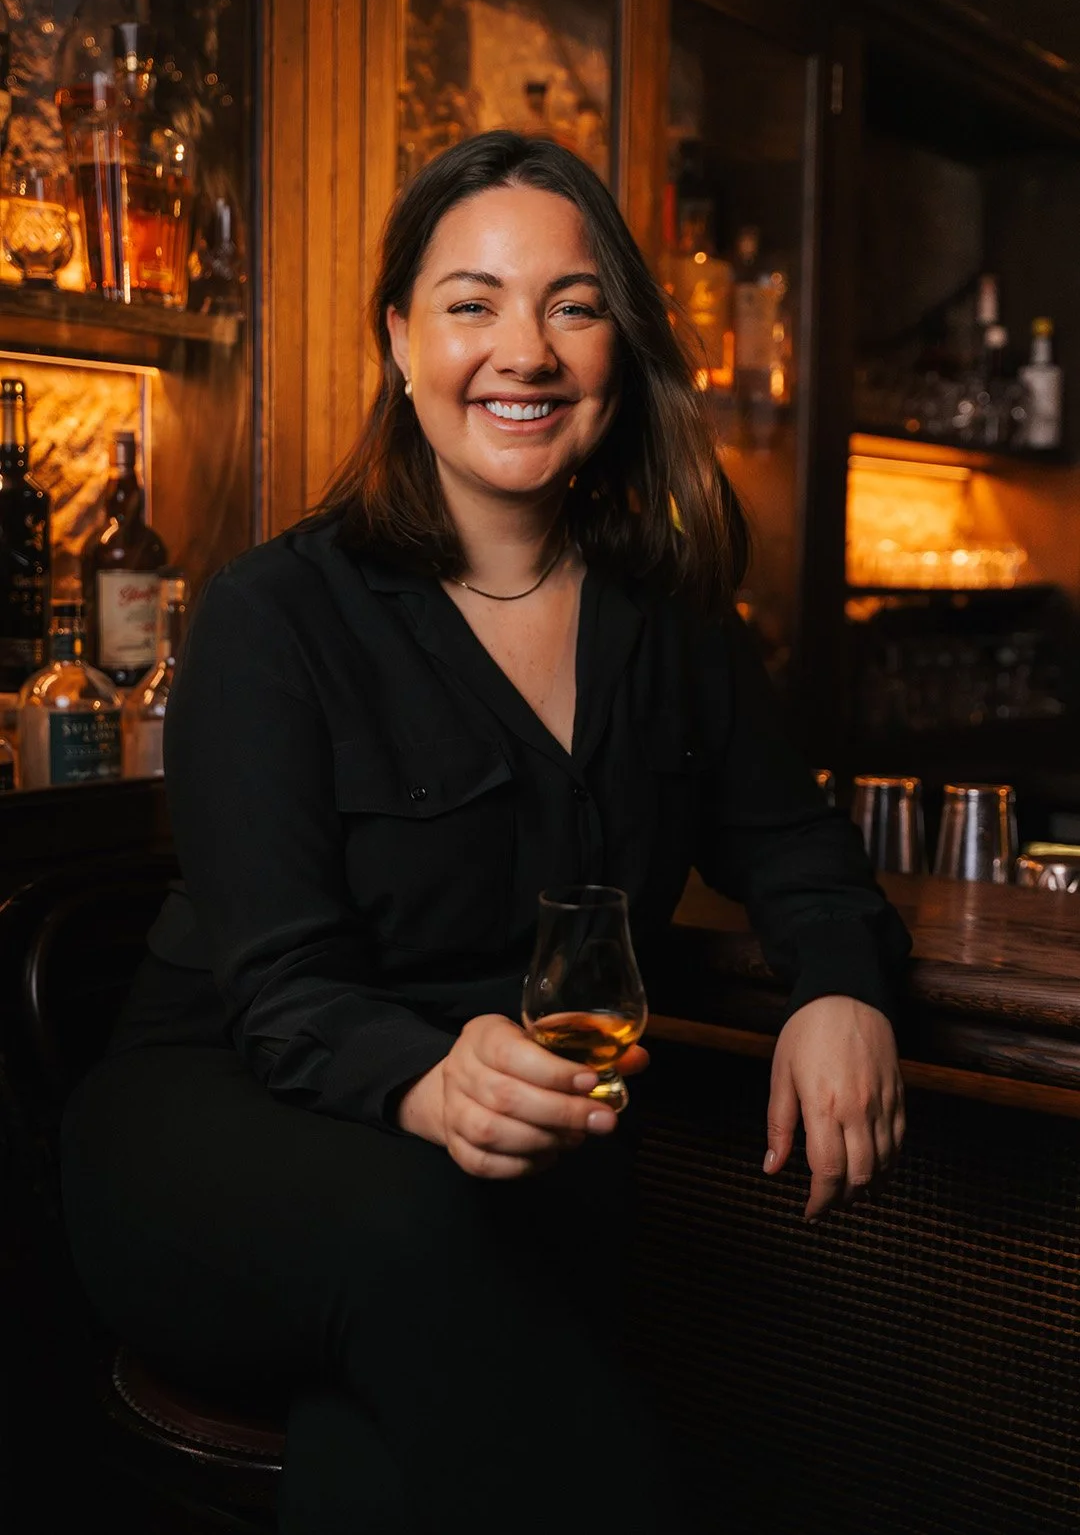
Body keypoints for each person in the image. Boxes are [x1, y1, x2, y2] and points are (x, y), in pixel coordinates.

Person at [61, 130, 910, 1534]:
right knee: (442, 1234)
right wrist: (430, 1079)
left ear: (619, 348)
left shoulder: (676, 619)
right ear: (399, 339)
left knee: (402, 1414)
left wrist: (840, 985)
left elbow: (799, 853)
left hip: (492, 1189)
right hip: (222, 1131)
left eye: (572, 305)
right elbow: (280, 994)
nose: (525, 349)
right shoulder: (278, 614)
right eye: (472, 303)